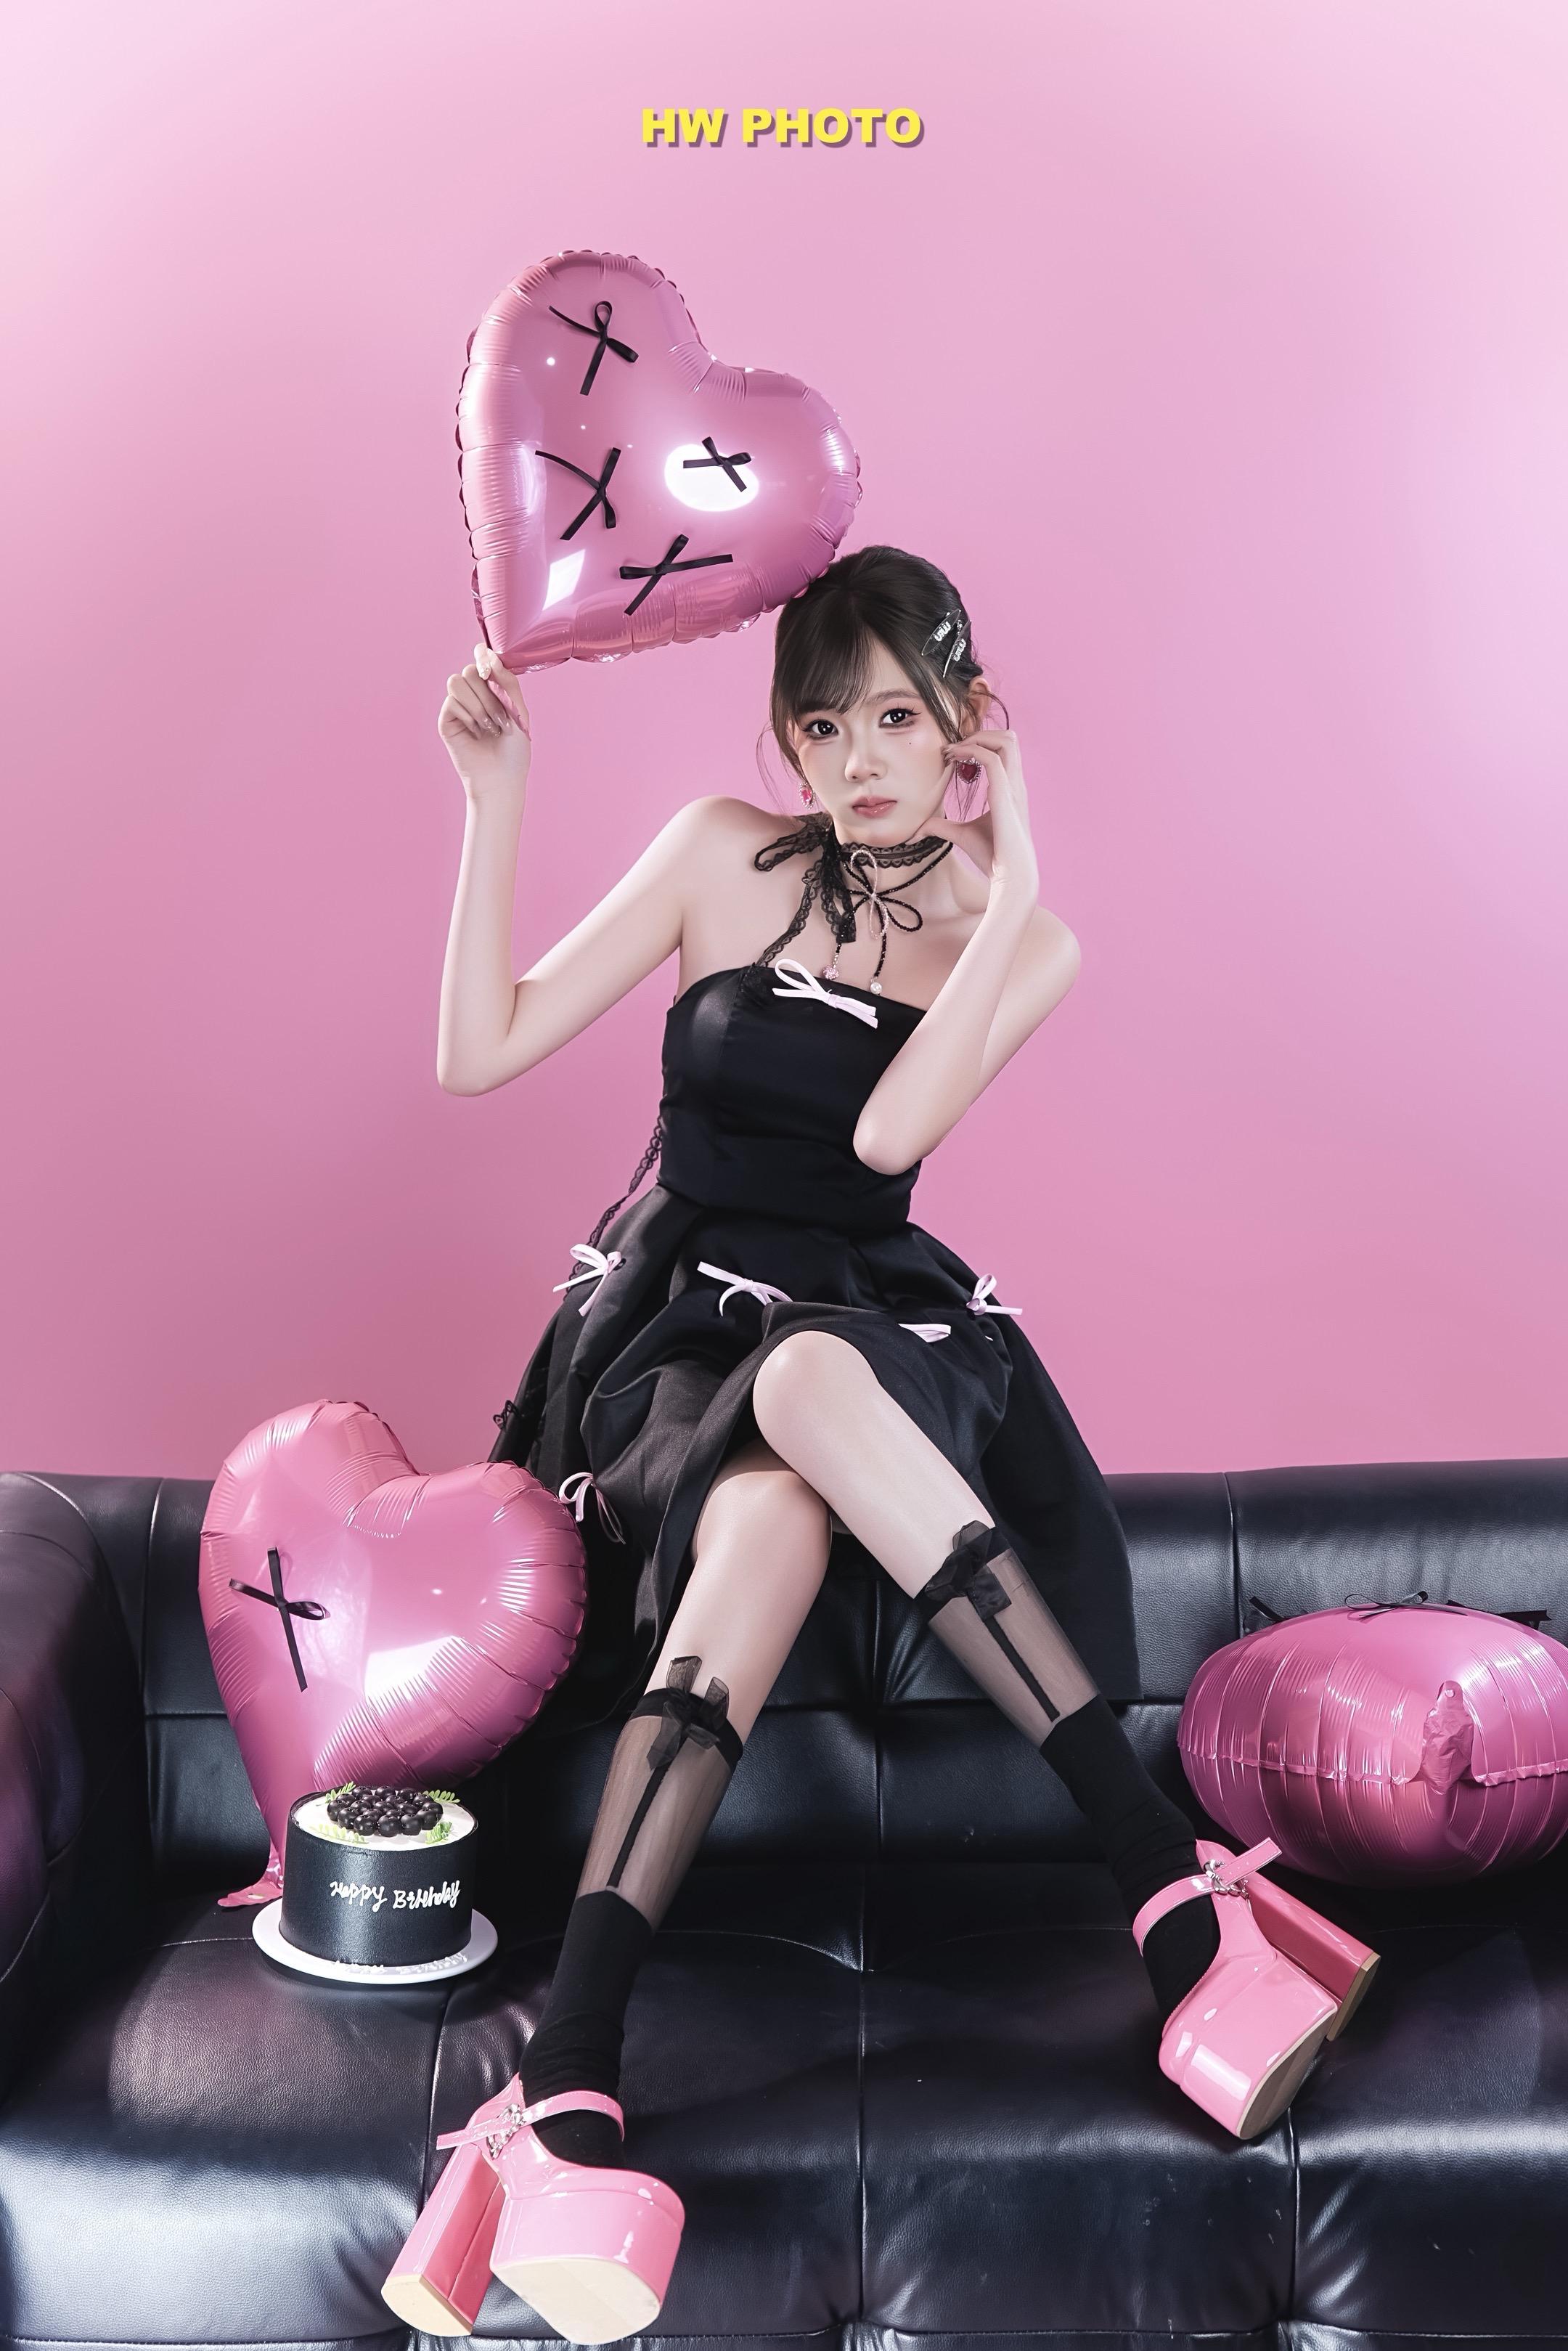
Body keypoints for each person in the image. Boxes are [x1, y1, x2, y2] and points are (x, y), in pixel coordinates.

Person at [383, 547, 1349, 2343]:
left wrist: (1014, 880)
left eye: (898, 718)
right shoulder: (719, 852)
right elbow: (476, 1045)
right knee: (759, 1526)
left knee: (818, 1382)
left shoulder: (1022, 933)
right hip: (677, 1336)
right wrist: (492, 799)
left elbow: (892, 1134)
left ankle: (1161, 1891)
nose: (858, 760)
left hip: (873, 1332)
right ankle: (575, 2055)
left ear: (967, 718)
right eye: (824, 726)